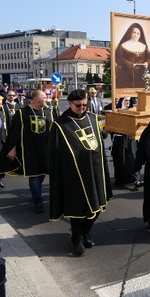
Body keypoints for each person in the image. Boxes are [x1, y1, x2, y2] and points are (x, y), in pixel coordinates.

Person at [48, 89, 113, 256]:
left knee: (97, 207)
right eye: (78, 105)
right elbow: (55, 153)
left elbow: (98, 141)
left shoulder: (92, 118)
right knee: (77, 209)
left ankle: (86, 232)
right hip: (74, 174)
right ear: (69, 103)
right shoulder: (60, 124)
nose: (82, 108)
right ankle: (76, 239)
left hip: (95, 170)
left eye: (85, 104)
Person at [1, 90, 54, 213]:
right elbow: (14, 133)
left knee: (41, 174)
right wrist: (12, 148)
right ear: (36, 99)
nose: (47, 99)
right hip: (29, 150)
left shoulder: (48, 112)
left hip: (45, 150)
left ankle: (36, 192)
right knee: (34, 175)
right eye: (44, 97)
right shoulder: (22, 113)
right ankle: (38, 200)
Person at [110, 97, 141, 187]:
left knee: (133, 159)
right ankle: (121, 179)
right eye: (126, 101)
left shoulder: (132, 111)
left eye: (129, 101)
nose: (128, 102)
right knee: (121, 160)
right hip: (120, 139)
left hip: (130, 138)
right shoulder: (117, 112)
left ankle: (136, 180)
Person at [115, 23, 150, 88]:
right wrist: (131, 64)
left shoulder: (143, 46)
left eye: (138, 33)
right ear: (130, 33)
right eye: (134, 33)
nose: (136, 35)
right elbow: (119, 58)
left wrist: (147, 63)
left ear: (140, 35)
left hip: (141, 76)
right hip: (128, 76)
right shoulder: (123, 46)